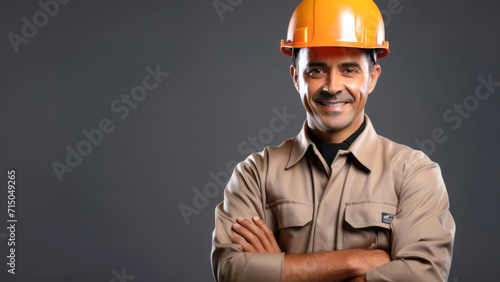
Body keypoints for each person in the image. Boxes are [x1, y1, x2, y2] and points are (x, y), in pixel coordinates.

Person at [211, 0, 455, 281]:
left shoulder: (413, 174)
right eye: (316, 70)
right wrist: (355, 262)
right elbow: (231, 272)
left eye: (349, 70)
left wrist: (281, 268)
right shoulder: (255, 174)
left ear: (372, 78)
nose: (333, 86)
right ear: (295, 78)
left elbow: (424, 275)